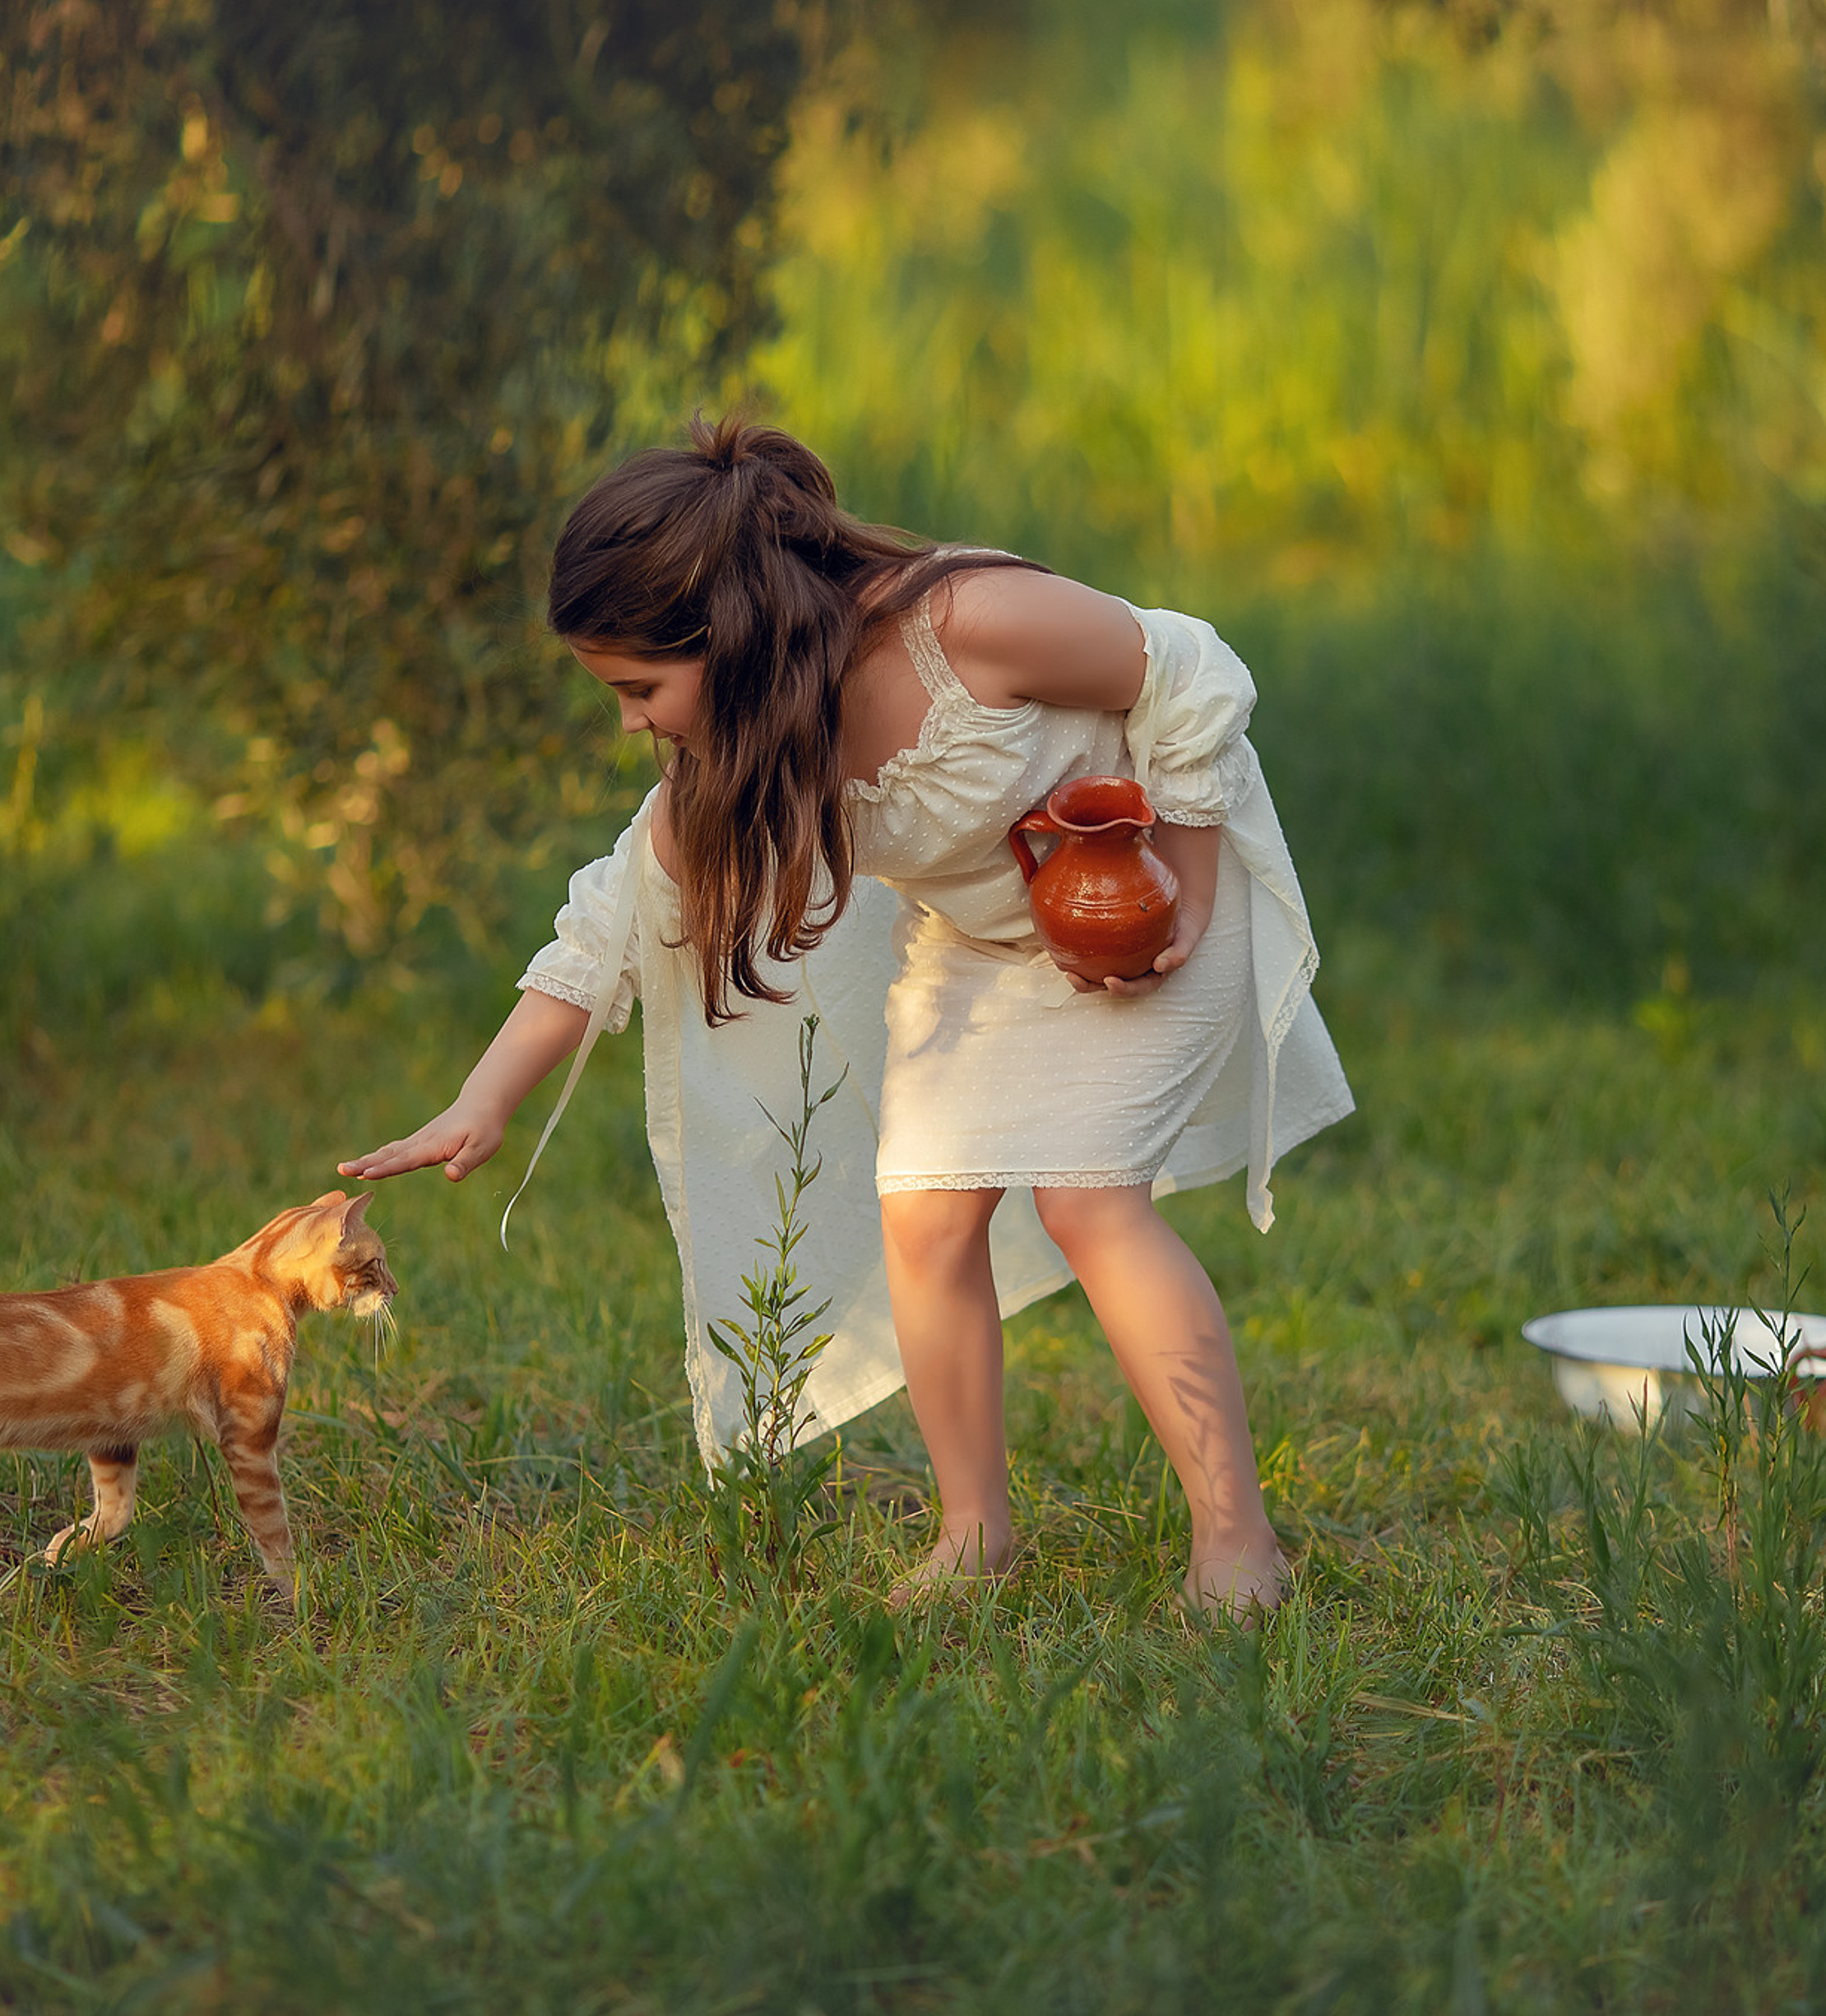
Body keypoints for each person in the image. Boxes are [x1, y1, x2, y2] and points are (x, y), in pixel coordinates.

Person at [339, 419, 1351, 1619]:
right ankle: (975, 1532)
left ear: (732, 638)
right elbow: (609, 924)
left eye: (638, 689)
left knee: (1087, 1202)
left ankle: (1237, 1540)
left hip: (1143, 893)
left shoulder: (964, 628)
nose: (629, 724)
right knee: (921, 1215)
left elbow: (1188, 668)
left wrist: (1175, 878)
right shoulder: (750, 749)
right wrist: (483, 1098)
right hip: (986, 946)